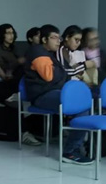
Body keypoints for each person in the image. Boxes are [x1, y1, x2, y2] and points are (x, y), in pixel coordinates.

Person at [24, 24, 93, 165]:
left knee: (85, 104)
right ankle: (70, 151)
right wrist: (60, 72)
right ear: (44, 39)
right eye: (54, 38)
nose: (58, 41)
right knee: (81, 106)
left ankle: (76, 146)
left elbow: (63, 74)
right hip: (42, 96)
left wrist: (60, 72)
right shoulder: (38, 53)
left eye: (59, 37)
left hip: (52, 92)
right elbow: (50, 76)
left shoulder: (48, 54)